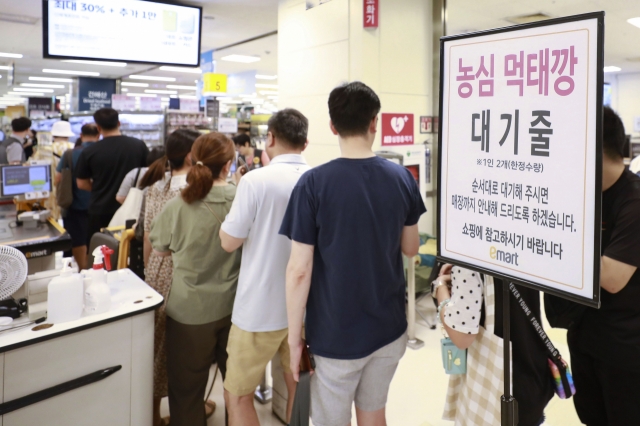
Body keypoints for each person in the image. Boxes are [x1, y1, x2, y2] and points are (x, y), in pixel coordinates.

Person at [279, 82, 425, 426]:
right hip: (389, 328)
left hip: (335, 335)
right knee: (374, 415)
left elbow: (299, 270)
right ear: (375, 122)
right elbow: (411, 249)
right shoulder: (402, 177)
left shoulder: (313, 184)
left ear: (332, 127)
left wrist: (293, 338)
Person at [220, 109, 310, 426]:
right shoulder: (319, 180)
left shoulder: (255, 181)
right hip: (304, 307)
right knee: (297, 384)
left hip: (258, 309)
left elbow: (229, 241)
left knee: (238, 395)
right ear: (306, 142)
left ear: (269, 138)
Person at [149, 132, 241, 426]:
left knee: (186, 391)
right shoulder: (243, 200)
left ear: (192, 159)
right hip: (236, 308)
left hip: (189, 313)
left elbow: (160, 251)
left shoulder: (178, 205)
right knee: (237, 390)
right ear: (228, 165)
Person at [565, 106, 640, 425]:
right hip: (584, 335)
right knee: (590, 417)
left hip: (624, 348)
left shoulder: (634, 201)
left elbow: (612, 277)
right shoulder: (581, 193)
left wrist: (554, 245)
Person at [136, 130, 207, 426]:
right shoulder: (195, 191)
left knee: (155, 345)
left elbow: (149, 237)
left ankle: (151, 414)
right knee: (187, 350)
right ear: (192, 156)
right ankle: (192, 408)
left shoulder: (156, 187)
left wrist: (148, 272)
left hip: (156, 271)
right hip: (184, 271)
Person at [433, 265, 554, 426]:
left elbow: (462, 337)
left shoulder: (467, 257)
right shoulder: (523, 242)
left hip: (499, 393)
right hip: (532, 374)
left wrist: (440, 287)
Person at [76, 108, 149, 240]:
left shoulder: (89, 151)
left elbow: (81, 183)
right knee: (129, 253)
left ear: (98, 128)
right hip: (132, 209)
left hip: (100, 209)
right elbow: (148, 174)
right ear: (119, 123)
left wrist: (100, 187)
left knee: (99, 252)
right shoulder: (138, 146)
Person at [54, 124, 100, 269]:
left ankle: (83, 268)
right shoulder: (102, 152)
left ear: (81, 136)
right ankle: (96, 267)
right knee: (96, 238)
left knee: (78, 239)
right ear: (98, 135)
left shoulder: (70, 154)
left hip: (75, 203)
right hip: (99, 203)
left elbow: (58, 178)